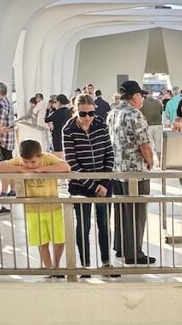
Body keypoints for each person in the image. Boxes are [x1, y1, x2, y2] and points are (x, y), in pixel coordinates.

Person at [0, 139, 70, 276]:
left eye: (33, 162)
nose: (29, 165)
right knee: (42, 242)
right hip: (32, 210)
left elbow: (66, 167)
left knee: (59, 240)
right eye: (26, 162)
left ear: (40, 156)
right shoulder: (19, 161)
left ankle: (56, 266)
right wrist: (20, 168)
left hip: (53, 208)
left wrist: (42, 169)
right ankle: (49, 268)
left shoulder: (47, 158)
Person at [62, 94, 116, 275]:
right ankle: (85, 265)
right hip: (80, 186)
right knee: (83, 225)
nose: (88, 118)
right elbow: (72, 163)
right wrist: (93, 186)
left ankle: (107, 263)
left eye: (91, 113)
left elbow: (110, 154)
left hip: (104, 185)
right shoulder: (68, 130)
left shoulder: (101, 125)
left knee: (104, 224)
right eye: (83, 114)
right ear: (75, 111)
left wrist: (104, 182)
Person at [108, 80, 155, 264]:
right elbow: (144, 144)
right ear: (135, 97)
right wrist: (150, 162)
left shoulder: (113, 112)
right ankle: (134, 253)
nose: (142, 99)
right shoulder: (135, 114)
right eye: (141, 95)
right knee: (137, 212)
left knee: (122, 211)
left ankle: (120, 248)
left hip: (118, 170)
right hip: (136, 172)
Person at [142, 89, 165, 162]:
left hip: (148, 125)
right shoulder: (158, 102)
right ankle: (160, 162)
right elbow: (161, 112)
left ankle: (150, 163)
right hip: (158, 125)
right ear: (152, 94)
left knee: (149, 146)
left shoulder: (143, 103)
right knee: (159, 145)